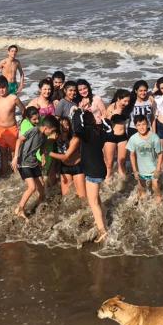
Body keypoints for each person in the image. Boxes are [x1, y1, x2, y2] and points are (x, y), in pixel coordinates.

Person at [11, 115, 60, 219]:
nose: (51, 133)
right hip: (24, 162)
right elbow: (19, 140)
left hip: (33, 163)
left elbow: (41, 148)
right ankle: (19, 209)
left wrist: (42, 156)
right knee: (32, 187)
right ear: (46, 128)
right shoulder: (34, 130)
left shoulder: (44, 136)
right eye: (52, 131)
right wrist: (15, 157)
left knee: (42, 189)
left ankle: (37, 206)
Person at [72, 109, 109, 242]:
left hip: (93, 171)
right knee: (96, 199)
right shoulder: (100, 131)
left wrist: (77, 113)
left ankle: (102, 231)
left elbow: (76, 127)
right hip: (99, 169)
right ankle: (102, 222)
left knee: (92, 202)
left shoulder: (86, 132)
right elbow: (110, 129)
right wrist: (104, 119)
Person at [0, 75, 25, 175]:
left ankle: (17, 175)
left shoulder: (13, 98)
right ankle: (4, 174)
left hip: (12, 129)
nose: (1, 90)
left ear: (7, 86)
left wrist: (22, 124)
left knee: (14, 152)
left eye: (3, 87)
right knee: (3, 153)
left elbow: (23, 110)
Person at [127, 115, 163, 203]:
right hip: (141, 170)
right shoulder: (133, 138)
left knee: (155, 187)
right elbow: (132, 155)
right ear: (135, 126)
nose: (141, 127)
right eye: (139, 125)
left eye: (143, 124)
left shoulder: (154, 137)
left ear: (148, 125)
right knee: (142, 192)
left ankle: (160, 203)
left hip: (153, 169)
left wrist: (158, 169)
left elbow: (160, 153)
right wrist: (135, 170)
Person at [49, 116, 86, 198]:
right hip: (64, 168)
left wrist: (48, 153)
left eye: (67, 125)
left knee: (82, 197)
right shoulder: (55, 138)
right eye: (63, 126)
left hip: (77, 167)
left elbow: (66, 156)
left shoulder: (75, 139)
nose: (66, 127)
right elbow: (44, 142)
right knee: (66, 197)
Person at [102, 89, 131, 179]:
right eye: (125, 101)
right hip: (111, 137)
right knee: (109, 163)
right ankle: (107, 181)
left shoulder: (127, 108)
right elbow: (105, 122)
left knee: (121, 162)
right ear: (118, 99)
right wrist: (113, 114)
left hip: (123, 137)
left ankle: (122, 181)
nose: (127, 103)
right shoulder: (111, 107)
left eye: (128, 101)